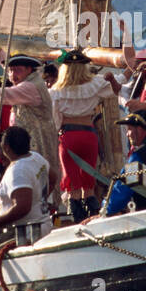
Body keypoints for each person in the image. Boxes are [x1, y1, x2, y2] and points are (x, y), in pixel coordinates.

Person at [0, 48, 61, 205]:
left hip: (35, 146)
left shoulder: (31, 87)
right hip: (25, 147)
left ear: (29, 70)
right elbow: (10, 69)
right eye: (11, 71)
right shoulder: (29, 80)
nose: (12, 75)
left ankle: (39, 207)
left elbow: (2, 95)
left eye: (17, 71)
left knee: (35, 180)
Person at [48, 49, 120, 223]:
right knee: (88, 184)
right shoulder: (94, 85)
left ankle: (78, 222)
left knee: (72, 185)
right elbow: (117, 88)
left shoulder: (55, 92)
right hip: (88, 135)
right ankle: (94, 219)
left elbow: (55, 121)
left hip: (68, 137)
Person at [0, 127, 57, 247]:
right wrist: (40, 199)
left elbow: (23, 207)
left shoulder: (18, 171)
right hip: (44, 225)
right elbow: (53, 178)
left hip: (25, 235)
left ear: (6, 147)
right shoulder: (35, 157)